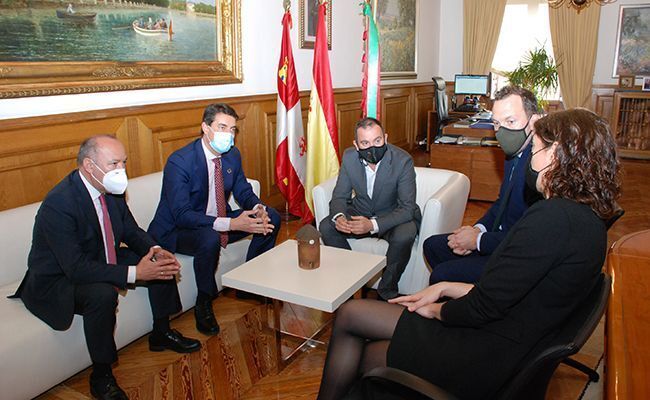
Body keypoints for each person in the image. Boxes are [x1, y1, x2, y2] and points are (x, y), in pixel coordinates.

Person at [316, 108, 621, 400]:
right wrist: (444, 287)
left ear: (554, 156)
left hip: (484, 354)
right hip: (509, 339)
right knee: (358, 325)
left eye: (535, 149)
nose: (530, 157)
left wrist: (435, 310)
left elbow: (483, 306)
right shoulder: (588, 221)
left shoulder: (550, 220)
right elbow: (511, 292)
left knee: (356, 326)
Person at [11, 135, 201, 400]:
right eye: (114, 163)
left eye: (124, 162)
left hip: (98, 256)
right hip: (58, 278)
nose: (121, 170)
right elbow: (76, 267)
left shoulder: (110, 189)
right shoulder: (59, 203)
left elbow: (130, 230)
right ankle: (102, 376)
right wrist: (135, 273)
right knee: (102, 294)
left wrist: (155, 249)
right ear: (89, 166)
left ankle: (162, 332)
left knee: (158, 264)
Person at [148, 103, 280, 336]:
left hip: (218, 218)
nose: (228, 134)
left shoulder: (232, 155)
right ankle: (204, 302)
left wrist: (258, 208)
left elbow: (243, 190)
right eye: (222, 127)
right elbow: (182, 214)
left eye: (232, 129)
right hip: (179, 229)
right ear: (205, 128)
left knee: (273, 217)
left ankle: (250, 283)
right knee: (209, 237)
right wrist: (232, 223)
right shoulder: (180, 161)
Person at [423, 86, 542, 285]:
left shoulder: (539, 167)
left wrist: (477, 241)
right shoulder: (513, 154)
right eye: (496, 123)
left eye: (511, 121)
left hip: (517, 257)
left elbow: (529, 238)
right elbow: (501, 203)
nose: (501, 131)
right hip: (497, 239)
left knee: (441, 275)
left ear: (534, 121)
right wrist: (478, 229)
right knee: (433, 245)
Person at [319, 117, 420, 301]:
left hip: (392, 215)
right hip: (361, 211)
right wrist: (339, 217)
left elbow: (407, 208)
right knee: (326, 226)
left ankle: (386, 290)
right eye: (365, 143)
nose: (372, 147)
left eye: (377, 141)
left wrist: (372, 225)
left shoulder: (403, 160)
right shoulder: (349, 157)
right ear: (356, 145)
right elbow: (340, 196)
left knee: (406, 233)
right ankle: (352, 280)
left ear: (385, 138)